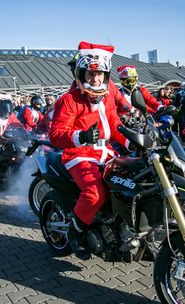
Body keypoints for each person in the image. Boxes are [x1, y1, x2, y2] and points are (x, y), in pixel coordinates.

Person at [50, 41, 131, 260]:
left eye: (100, 75)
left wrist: (133, 142)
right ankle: (75, 231)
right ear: (81, 74)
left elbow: (114, 127)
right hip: (79, 155)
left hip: (105, 153)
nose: (95, 79)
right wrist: (81, 136)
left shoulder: (106, 97)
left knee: (130, 182)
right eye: (90, 74)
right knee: (95, 194)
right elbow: (56, 135)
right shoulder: (69, 100)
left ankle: (120, 228)